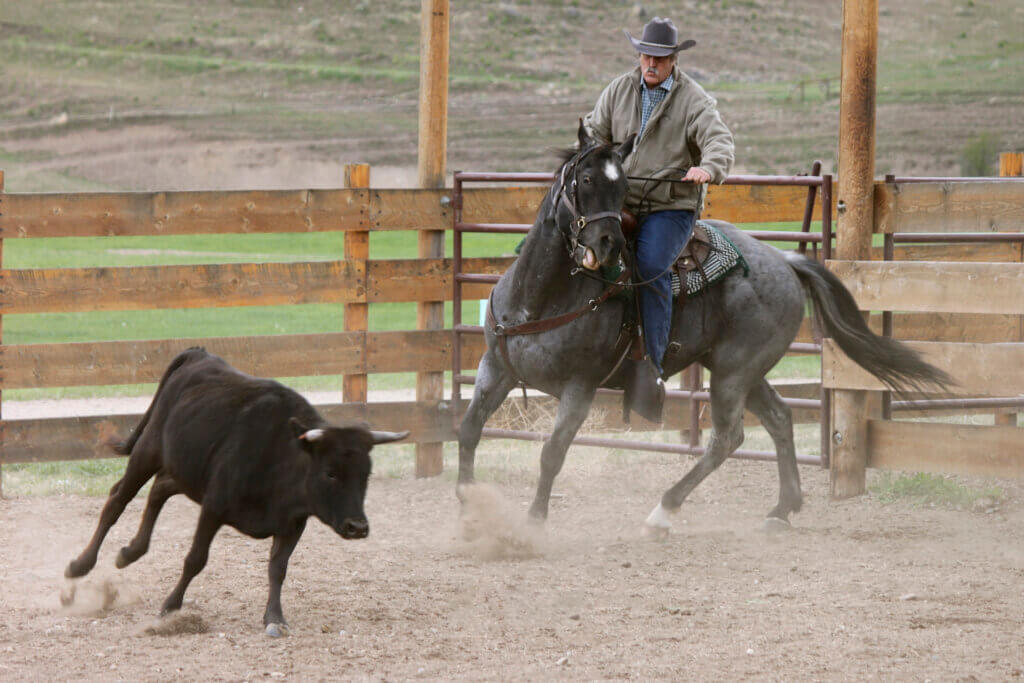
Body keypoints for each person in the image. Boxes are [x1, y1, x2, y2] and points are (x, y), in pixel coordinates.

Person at [583, 16, 734, 421]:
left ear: (673, 60)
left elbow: (718, 139)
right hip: (622, 202)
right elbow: (595, 133)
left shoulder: (693, 99)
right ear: (638, 54)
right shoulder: (618, 89)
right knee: (576, 243)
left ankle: (651, 365)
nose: (651, 63)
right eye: (646, 55)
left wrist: (710, 167)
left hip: (671, 206)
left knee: (649, 266)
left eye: (660, 58)